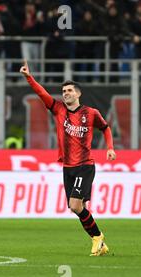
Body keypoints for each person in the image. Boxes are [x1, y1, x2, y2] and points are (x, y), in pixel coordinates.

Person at [20, 60, 116, 256]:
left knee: (74, 205)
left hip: (84, 165)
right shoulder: (58, 109)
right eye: (64, 91)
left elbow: (105, 128)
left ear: (78, 94)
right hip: (68, 166)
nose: (66, 94)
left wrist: (110, 148)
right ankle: (100, 243)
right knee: (77, 208)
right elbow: (42, 93)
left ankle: (98, 238)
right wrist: (28, 77)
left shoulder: (90, 113)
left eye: (70, 90)